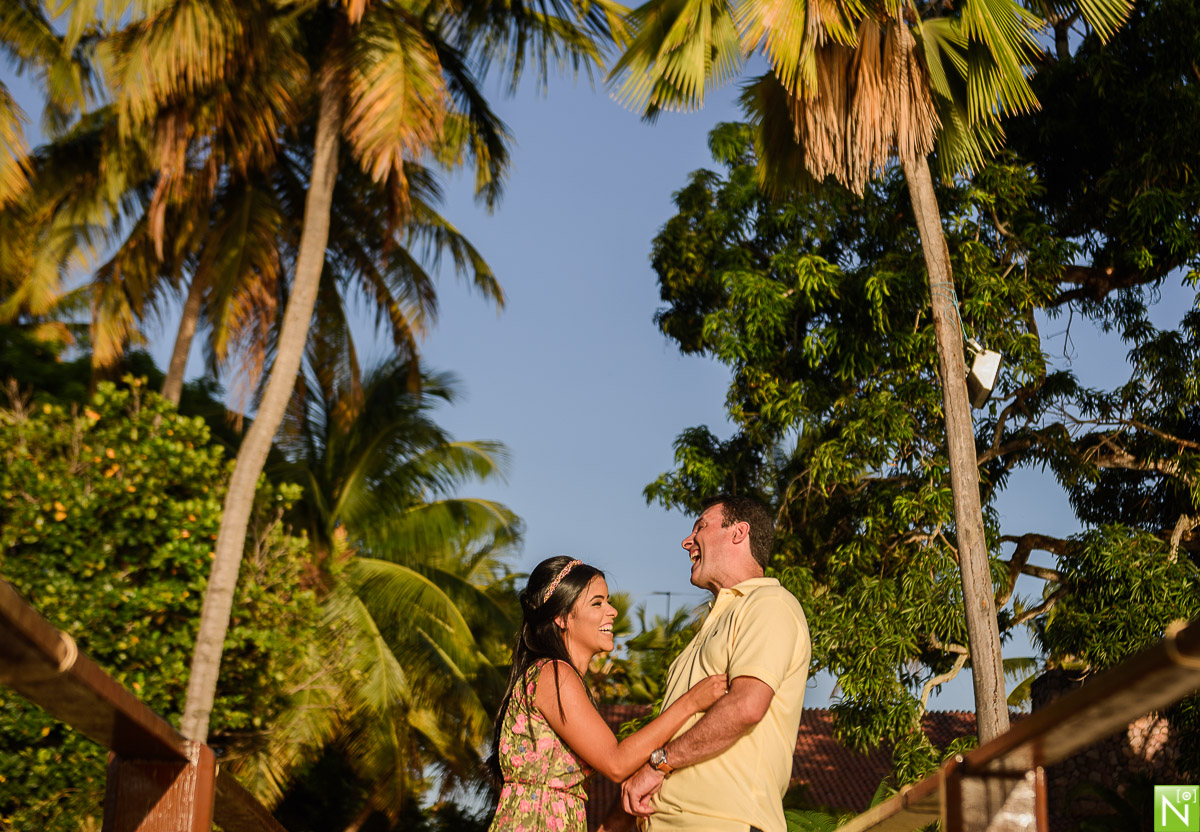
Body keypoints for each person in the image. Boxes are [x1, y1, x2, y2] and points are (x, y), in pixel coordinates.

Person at [488, 555, 728, 832]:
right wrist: (690, 702)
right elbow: (616, 762)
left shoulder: (553, 676)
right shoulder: (553, 673)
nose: (612, 611)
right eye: (597, 603)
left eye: (608, 600)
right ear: (561, 617)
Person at [618, 494, 811, 832]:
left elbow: (747, 705)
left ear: (739, 533)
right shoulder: (705, 633)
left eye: (700, 527)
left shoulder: (770, 603)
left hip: (725, 822)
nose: (686, 541)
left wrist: (658, 764)